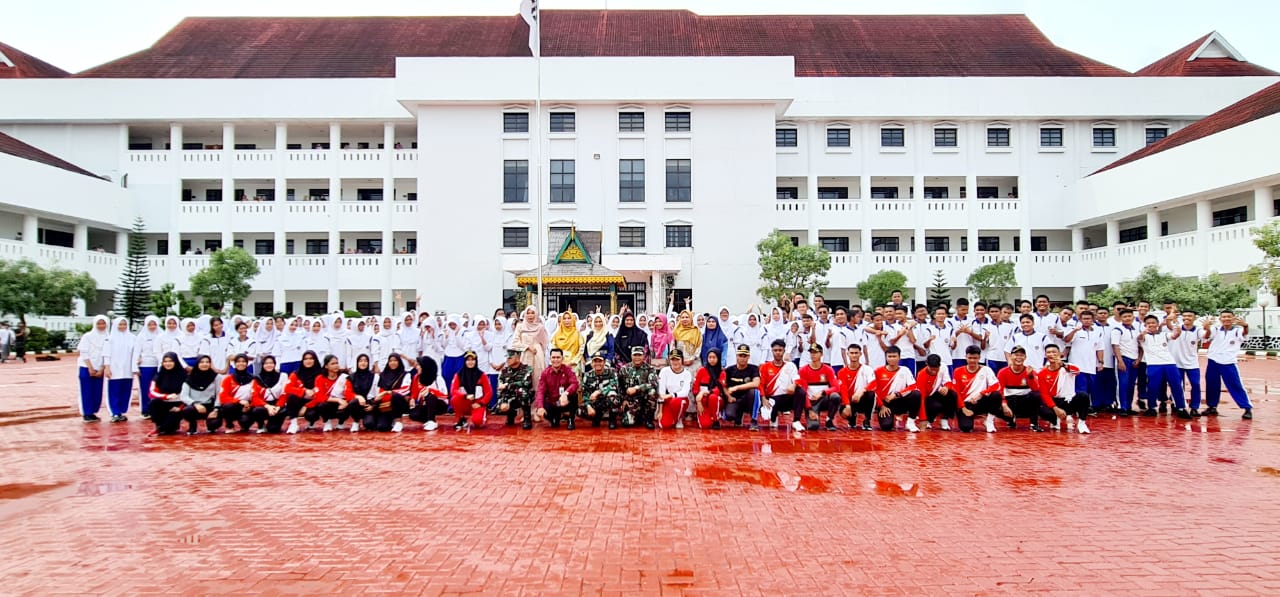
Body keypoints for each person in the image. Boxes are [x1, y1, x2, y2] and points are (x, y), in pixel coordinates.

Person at [1201, 310, 1254, 419]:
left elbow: (1244, 333)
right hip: (1213, 360)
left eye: (1229, 317)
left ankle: (1246, 407)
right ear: (1220, 319)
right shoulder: (1216, 329)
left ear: (1233, 318)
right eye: (1224, 317)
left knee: (1235, 385)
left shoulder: (1237, 330)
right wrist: (1206, 327)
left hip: (1228, 361)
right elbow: (1207, 335)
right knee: (1211, 384)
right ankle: (1212, 407)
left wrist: (1245, 326)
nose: (1226, 319)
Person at [1137, 314, 1190, 419]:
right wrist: (1144, 332)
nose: (1151, 325)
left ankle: (1181, 408)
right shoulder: (1144, 336)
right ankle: (1152, 407)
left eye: (1153, 323)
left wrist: (1177, 330)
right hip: (1153, 365)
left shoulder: (1164, 335)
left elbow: (1174, 336)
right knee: (1152, 387)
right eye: (1148, 323)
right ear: (1145, 325)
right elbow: (1140, 338)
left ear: (1157, 324)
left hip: (1169, 363)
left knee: (1176, 386)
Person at [1035, 345, 1092, 433]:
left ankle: (1081, 423)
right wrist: (1056, 408)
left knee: (1083, 396)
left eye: (1054, 352)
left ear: (1060, 354)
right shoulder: (1042, 373)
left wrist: (1063, 365)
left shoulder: (1067, 367)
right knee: (1040, 406)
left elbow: (1077, 371)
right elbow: (1044, 393)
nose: (1052, 354)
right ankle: (1054, 420)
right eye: (1049, 352)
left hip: (1068, 401)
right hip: (1055, 402)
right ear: (1045, 355)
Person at [950, 345, 1007, 433]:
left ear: (979, 358)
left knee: (996, 395)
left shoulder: (986, 370)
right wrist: (963, 408)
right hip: (965, 404)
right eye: (970, 358)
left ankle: (989, 421)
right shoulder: (958, 371)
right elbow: (956, 392)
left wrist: (981, 393)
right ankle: (969, 418)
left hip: (981, 402)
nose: (972, 360)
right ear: (966, 357)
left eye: (975, 358)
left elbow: (996, 385)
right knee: (966, 428)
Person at [871, 346, 921, 432]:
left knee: (916, 394)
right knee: (886, 427)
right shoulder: (878, 371)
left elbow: (913, 386)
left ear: (899, 357)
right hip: (885, 404)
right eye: (889, 356)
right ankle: (891, 418)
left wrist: (896, 394)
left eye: (894, 356)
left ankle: (910, 422)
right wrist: (881, 406)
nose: (892, 359)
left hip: (900, 401)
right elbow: (874, 390)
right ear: (886, 358)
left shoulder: (905, 370)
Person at [759, 339, 805, 432]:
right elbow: (761, 385)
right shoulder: (765, 367)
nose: (778, 353)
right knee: (773, 426)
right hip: (772, 399)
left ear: (784, 351)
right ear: (772, 351)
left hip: (786, 398)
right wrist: (763, 398)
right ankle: (773, 415)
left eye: (780, 350)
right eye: (775, 350)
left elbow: (797, 379)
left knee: (801, 392)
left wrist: (794, 385)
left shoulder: (790, 365)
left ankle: (796, 421)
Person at [1170, 310, 1208, 417]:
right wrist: (1171, 317)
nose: (1187, 318)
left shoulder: (1197, 330)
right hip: (1176, 362)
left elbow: (1205, 336)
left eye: (1190, 316)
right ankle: (1178, 405)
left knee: (1195, 384)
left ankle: (1194, 407)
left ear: (1194, 318)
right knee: (1178, 385)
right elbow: (1169, 326)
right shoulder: (1176, 327)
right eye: (1185, 316)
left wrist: (1208, 328)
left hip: (1192, 362)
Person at [998, 346, 1044, 430]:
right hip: (1010, 401)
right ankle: (1010, 419)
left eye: (1021, 355)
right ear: (1011, 356)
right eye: (1016, 355)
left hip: (1024, 402)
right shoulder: (1003, 372)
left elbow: (1036, 390)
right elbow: (999, 390)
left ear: (1025, 357)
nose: (1019, 357)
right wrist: (1004, 404)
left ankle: (1034, 423)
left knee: (1036, 396)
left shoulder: (1030, 371)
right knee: (995, 401)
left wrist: (1030, 377)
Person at [101, 317, 137, 423]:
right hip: (114, 369)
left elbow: (136, 352)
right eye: (120, 324)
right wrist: (107, 367)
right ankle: (115, 412)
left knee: (126, 391)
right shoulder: (110, 338)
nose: (122, 326)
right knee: (114, 391)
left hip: (127, 369)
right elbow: (106, 354)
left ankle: (121, 411)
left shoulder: (132, 338)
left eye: (124, 324)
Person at [798, 343, 840, 431]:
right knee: (813, 427)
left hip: (824, 399)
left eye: (815, 352)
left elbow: (836, 387)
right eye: (811, 352)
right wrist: (809, 409)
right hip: (812, 402)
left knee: (835, 396)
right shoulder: (803, 370)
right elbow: (803, 391)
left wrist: (822, 392)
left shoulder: (828, 369)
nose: (813, 355)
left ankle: (829, 420)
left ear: (821, 354)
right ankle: (811, 415)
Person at [366, 353, 412, 432]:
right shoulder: (383, 375)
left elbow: (405, 389)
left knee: (396, 396)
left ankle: (398, 421)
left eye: (395, 361)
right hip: (385, 405)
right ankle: (389, 420)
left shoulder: (405, 375)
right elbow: (378, 391)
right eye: (390, 361)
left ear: (399, 362)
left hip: (399, 404)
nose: (392, 363)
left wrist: (388, 392)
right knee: (381, 427)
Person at [512, 306, 549, 403]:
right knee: (525, 381)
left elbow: (545, 343)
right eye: (528, 313)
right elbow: (515, 343)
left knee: (537, 380)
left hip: (537, 355)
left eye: (533, 313)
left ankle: (537, 408)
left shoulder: (540, 327)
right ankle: (525, 410)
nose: (530, 315)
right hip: (525, 355)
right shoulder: (520, 326)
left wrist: (539, 351)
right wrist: (527, 347)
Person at [449, 350, 492, 431]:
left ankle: (483, 413)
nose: (470, 362)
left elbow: (489, 392)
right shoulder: (458, 375)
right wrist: (465, 396)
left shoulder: (482, 375)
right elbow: (453, 390)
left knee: (477, 422)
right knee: (455, 399)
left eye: (472, 360)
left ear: (476, 361)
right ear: (465, 361)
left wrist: (480, 403)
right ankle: (461, 418)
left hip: (477, 403)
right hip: (466, 402)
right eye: (468, 360)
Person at [282, 351, 323, 433]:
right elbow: (287, 388)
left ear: (315, 360)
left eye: (311, 359)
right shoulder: (296, 373)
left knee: (312, 414)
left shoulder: (321, 373)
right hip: (300, 400)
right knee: (291, 397)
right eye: (306, 359)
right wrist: (304, 391)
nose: (308, 361)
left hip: (314, 402)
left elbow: (323, 393)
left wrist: (306, 406)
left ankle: (311, 423)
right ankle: (293, 424)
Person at [837, 344, 876, 431]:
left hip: (863, 399)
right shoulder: (842, 372)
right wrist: (847, 405)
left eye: (856, 353)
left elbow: (873, 383)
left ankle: (867, 420)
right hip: (850, 401)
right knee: (844, 413)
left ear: (860, 354)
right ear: (848, 354)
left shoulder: (867, 369)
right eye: (852, 353)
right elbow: (843, 390)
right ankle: (852, 417)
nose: (854, 355)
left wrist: (862, 391)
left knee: (871, 394)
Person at [538, 348, 580, 429]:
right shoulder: (545, 373)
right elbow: (541, 391)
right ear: (550, 359)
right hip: (553, 403)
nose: (556, 360)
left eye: (558, 357)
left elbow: (575, 383)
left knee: (574, 396)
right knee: (542, 406)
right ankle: (555, 418)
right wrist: (540, 407)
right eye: (553, 357)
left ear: (562, 359)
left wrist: (566, 393)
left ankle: (571, 419)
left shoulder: (568, 370)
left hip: (565, 401)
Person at [618, 346, 659, 429]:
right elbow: (619, 386)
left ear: (644, 356)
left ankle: (648, 420)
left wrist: (637, 388)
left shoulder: (650, 369)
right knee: (627, 423)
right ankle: (637, 416)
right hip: (631, 401)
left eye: (639, 355)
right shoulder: (624, 369)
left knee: (652, 392)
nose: (637, 358)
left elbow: (653, 383)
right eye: (635, 355)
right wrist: (623, 399)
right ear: (631, 356)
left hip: (645, 399)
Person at [147, 352, 187, 435]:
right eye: (165, 361)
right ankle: (159, 425)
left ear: (176, 362)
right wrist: (166, 396)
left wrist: (180, 407)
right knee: (154, 402)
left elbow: (188, 394)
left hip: (178, 406)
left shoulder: (184, 376)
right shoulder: (159, 375)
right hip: (164, 404)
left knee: (169, 429)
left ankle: (165, 427)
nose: (167, 363)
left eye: (170, 361)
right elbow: (151, 392)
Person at [912, 353, 956, 431]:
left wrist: (946, 387)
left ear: (939, 365)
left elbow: (948, 381)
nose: (933, 371)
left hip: (936, 393)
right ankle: (928, 419)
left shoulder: (943, 367)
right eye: (931, 369)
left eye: (936, 369)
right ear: (926, 364)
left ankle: (945, 419)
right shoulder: (921, 375)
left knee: (951, 394)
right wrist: (923, 418)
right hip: (926, 398)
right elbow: (921, 398)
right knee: (936, 406)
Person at [1110, 309, 1141, 416]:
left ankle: (1128, 406)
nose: (1127, 318)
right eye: (1125, 316)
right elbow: (1115, 346)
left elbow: (1140, 345)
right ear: (1121, 318)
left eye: (1129, 316)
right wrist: (1120, 361)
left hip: (1135, 360)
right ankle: (1121, 407)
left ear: (1133, 317)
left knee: (1131, 385)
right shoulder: (1117, 330)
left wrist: (1139, 359)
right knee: (1122, 384)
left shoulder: (1137, 329)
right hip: (1123, 358)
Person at [214, 354, 255, 433]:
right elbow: (223, 397)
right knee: (227, 406)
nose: (241, 363)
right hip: (234, 406)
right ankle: (229, 425)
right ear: (234, 364)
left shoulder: (253, 379)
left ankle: (245, 425)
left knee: (246, 421)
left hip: (248, 406)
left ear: (247, 363)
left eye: (243, 361)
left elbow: (256, 395)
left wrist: (249, 405)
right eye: (238, 362)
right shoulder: (228, 379)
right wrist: (239, 401)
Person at [723, 344, 761, 430]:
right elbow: (724, 385)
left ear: (748, 357)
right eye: (740, 355)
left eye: (745, 356)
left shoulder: (753, 368)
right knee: (729, 416)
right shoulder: (729, 370)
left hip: (748, 399)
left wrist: (736, 387)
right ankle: (738, 416)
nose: (743, 358)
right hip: (734, 399)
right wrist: (728, 396)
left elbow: (756, 383)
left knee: (754, 392)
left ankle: (754, 421)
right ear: (736, 356)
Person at [179, 355, 219, 435]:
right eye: (202, 362)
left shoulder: (216, 377)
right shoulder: (190, 378)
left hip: (210, 406)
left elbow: (219, 394)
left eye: (207, 362)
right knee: (187, 410)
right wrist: (195, 404)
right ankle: (192, 425)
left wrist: (216, 409)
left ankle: (211, 426)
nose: (205, 364)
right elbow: (183, 396)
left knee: (215, 423)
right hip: (195, 406)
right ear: (197, 364)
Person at [581, 350, 621, 428]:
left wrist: (599, 391)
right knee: (580, 411)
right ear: (592, 363)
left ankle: (612, 419)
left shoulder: (612, 372)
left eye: (600, 361)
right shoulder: (587, 375)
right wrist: (588, 406)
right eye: (595, 361)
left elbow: (614, 385)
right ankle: (596, 417)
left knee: (612, 395)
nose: (597, 363)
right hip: (595, 403)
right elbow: (585, 394)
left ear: (604, 362)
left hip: (608, 401)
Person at [249, 355, 289, 433]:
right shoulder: (257, 378)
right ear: (262, 365)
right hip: (264, 405)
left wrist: (278, 407)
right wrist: (268, 407)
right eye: (266, 363)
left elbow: (284, 393)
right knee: (256, 410)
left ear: (275, 364)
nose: (269, 365)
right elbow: (255, 397)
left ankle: (273, 422)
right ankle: (261, 425)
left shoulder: (283, 376)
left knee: (273, 430)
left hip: (278, 405)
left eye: (271, 363)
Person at [408, 355, 449, 431]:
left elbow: (445, 396)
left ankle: (431, 421)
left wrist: (431, 391)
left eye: (419, 365)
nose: (417, 367)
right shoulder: (416, 377)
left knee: (430, 397)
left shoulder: (438, 379)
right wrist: (412, 399)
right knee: (413, 414)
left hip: (439, 404)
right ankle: (427, 420)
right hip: (424, 404)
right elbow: (414, 392)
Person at [496, 349, 535, 429]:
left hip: (523, 396)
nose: (507, 360)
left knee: (523, 392)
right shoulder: (504, 371)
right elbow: (500, 387)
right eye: (507, 358)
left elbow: (525, 383)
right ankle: (511, 415)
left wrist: (507, 385)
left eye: (510, 358)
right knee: (501, 407)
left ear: (517, 358)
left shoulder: (527, 369)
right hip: (509, 396)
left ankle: (527, 418)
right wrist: (502, 401)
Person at [134, 316, 163, 420]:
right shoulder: (141, 337)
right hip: (145, 365)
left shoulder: (161, 335)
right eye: (150, 324)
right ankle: (146, 410)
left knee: (158, 389)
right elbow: (136, 352)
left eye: (154, 324)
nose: (152, 326)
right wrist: (135, 367)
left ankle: (157, 410)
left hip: (160, 365)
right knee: (146, 388)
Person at [657, 348, 695, 429]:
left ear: (682, 360)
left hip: (680, 400)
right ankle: (672, 418)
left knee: (677, 401)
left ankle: (679, 419)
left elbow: (685, 392)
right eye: (672, 359)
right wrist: (660, 411)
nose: (675, 362)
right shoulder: (664, 371)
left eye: (677, 359)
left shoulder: (687, 374)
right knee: (664, 425)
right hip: (667, 401)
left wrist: (671, 395)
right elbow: (661, 392)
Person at [693, 348, 727, 429]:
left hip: (716, 400)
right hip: (702, 401)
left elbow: (720, 389)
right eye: (710, 357)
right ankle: (708, 416)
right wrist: (698, 402)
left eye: (714, 357)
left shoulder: (722, 372)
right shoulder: (701, 370)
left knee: (713, 397)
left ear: (718, 358)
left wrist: (706, 392)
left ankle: (716, 419)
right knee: (704, 425)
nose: (711, 360)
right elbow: (695, 387)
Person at [345, 354, 376, 432]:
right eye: (361, 361)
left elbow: (378, 393)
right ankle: (356, 421)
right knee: (353, 402)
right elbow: (348, 393)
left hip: (369, 405)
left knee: (369, 424)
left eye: (365, 361)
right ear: (357, 363)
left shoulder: (374, 376)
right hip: (357, 404)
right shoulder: (351, 377)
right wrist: (358, 396)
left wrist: (373, 405)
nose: (363, 363)